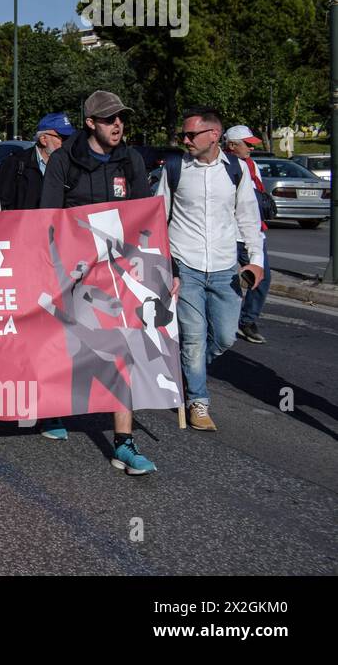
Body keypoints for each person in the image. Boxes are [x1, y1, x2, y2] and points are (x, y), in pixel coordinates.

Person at [37, 90, 155, 472]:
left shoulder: (131, 160)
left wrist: (157, 272)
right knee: (66, 344)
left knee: (124, 350)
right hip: (73, 270)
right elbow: (48, 218)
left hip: (119, 271)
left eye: (121, 117)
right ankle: (55, 410)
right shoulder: (64, 161)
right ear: (90, 123)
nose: (117, 124)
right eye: (108, 119)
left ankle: (123, 441)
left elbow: (146, 218)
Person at [157, 106, 264, 432]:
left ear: (214, 135)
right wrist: (164, 263)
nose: (185, 140)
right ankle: (198, 403)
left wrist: (256, 260)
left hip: (225, 267)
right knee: (192, 339)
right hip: (185, 264)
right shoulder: (175, 168)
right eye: (183, 135)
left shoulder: (235, 170)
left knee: (225, 337)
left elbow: (247, 216)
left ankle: (188, 371)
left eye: (191, 135)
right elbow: (158, 215)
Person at [223, 125, 271, 344]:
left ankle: (247, 320)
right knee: (225, 282)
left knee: (262, 279)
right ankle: (222, 322)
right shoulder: (224, 167)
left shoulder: (252, 166)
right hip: (230, 236)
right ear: (232, 146)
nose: (251, 148)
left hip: (253, 234)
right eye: (247, 144)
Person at [0, 113, 74, 211]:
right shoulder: (15, 163)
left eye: (69, 138)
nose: (67, 143)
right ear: (43, 140)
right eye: (63, 138)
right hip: (24, 225)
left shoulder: (71, 166)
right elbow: (1, 205)